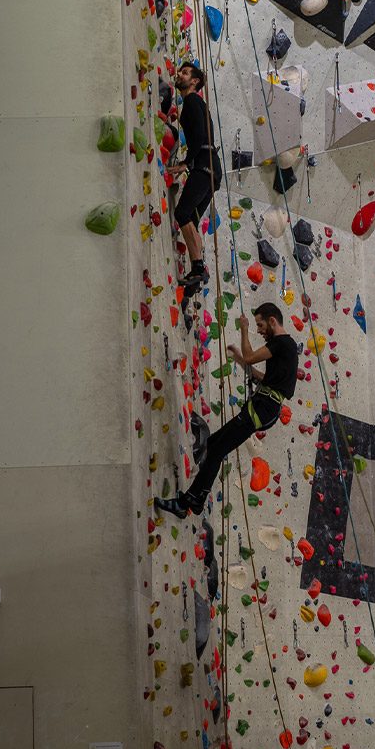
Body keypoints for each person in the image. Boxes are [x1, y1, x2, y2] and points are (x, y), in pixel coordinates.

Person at [155, 303, 298, 518]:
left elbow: (251, 357)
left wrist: (243, 328)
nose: (258, 330)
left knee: (218, 450)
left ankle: (190, 502)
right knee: (213, 444)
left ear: (272, 321)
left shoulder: (282, 343)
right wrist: (240, 360)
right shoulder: (285, 347)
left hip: (263, 408)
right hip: (265, 406)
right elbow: (264, 377)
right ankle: (197, 495)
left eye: (260, 325)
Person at [172, 62, 222, 293]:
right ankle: (197, 272)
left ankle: (199, 268)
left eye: (184, 73)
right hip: (211, 169)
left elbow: (200, 135)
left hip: (204, 165)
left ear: (194, 82)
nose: (179, 75)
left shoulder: (192, 101)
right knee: (190, 218)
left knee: (182, 213)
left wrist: (185, 163)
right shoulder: (198, 104)